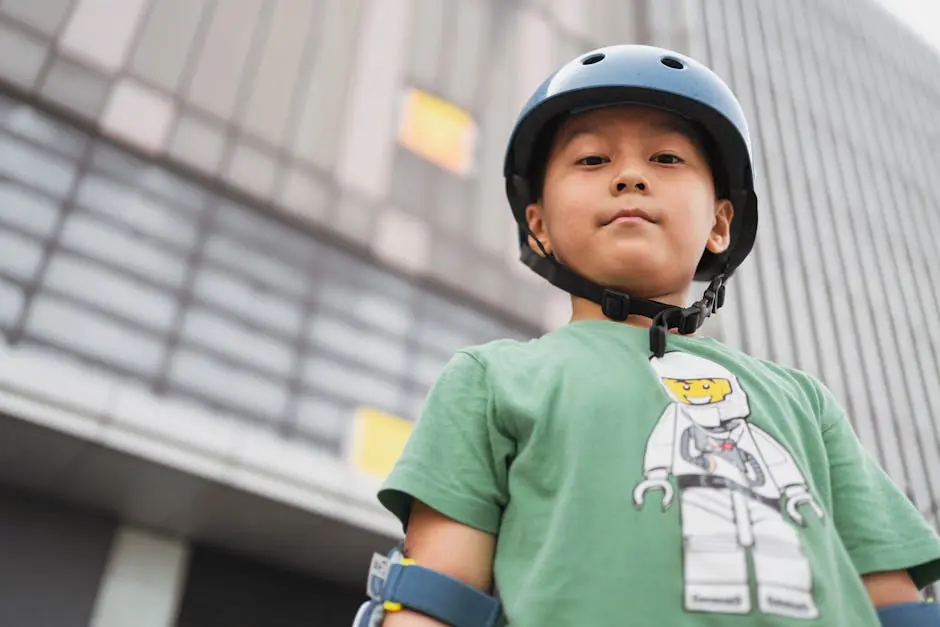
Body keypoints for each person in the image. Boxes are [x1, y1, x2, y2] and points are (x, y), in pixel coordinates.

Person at [353, 44, 940, 626]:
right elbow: (438, 594)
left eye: (665, 158)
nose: (630, 176)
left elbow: (894, 604)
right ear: (538, 228)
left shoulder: (803, 400)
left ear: (718, 223)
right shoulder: (492, 380)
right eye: (591, 160)